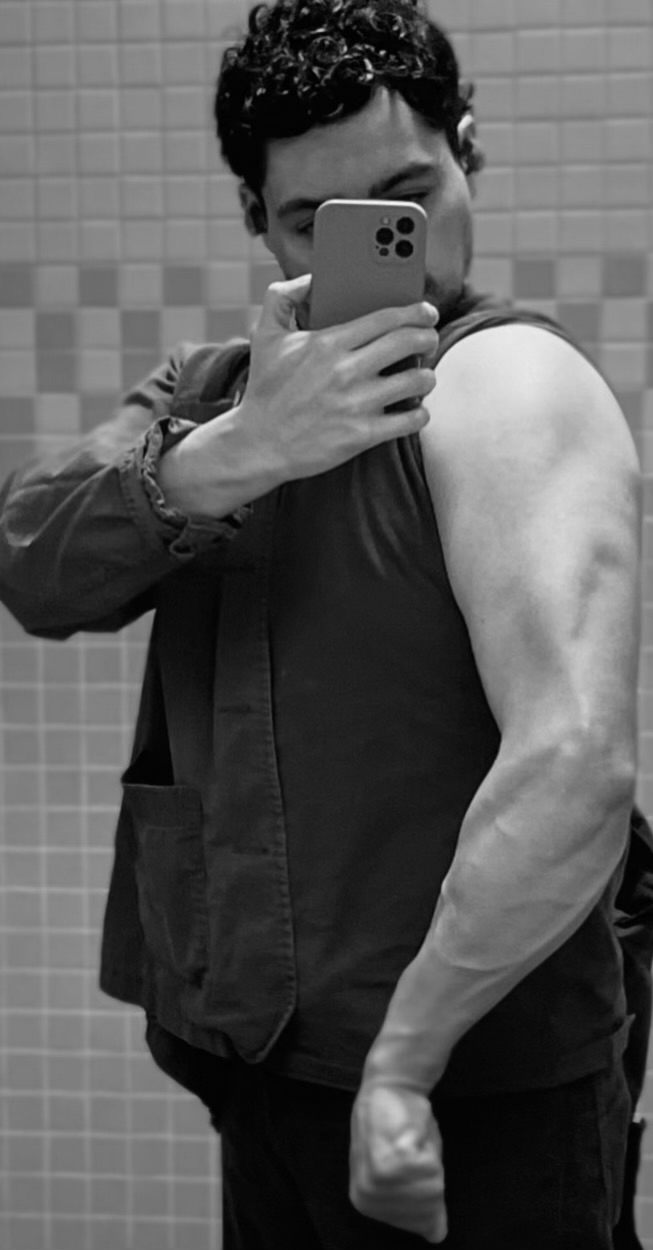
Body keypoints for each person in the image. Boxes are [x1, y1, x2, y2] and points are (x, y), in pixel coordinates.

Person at [0, 0, 651, 1245]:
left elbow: (574, 765)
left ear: (468, 150)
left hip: (465, 1079)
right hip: (257, 1055)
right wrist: (235, 454)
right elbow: (30, 560)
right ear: (257, 218)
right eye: (314, 221)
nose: (379, 246)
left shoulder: (504, 381)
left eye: (408, 195)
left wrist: (403, 1064)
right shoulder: (212, 395)